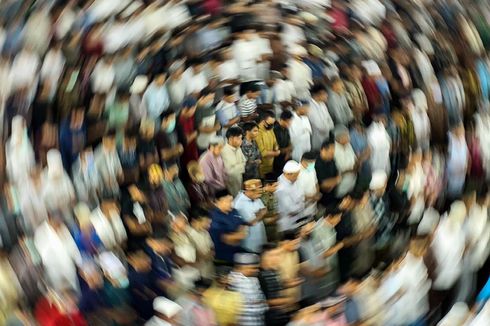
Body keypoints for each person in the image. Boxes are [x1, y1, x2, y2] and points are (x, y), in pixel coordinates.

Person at [209, 189, 248, 265]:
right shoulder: (213, 217)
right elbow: (225, 238)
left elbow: (243, 227)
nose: (231, 204)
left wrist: (236, 236)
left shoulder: (234, 211)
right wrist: (237, 236)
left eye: (231, 201)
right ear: (217, 202)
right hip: (223, 255)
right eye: (227, 201)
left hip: (237, 250)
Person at [228, 253, 268, 326]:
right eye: (253, 268)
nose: (257, 270)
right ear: (242, 267)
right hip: (246, 322)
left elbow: (261, 303)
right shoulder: (239, 281)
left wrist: (261, 303)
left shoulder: (252, 279)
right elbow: (258, 307)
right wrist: (262, 304)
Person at [258, 243, 292, 326]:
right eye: (272, 255)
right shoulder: (258, 275)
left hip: (278, 316)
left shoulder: (274, 271)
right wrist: (285, 301)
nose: (277, 258)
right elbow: (258, 302)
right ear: (263, 257)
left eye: (278, 255)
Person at [234, 179, 268, 254]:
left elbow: (264, 211)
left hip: (260, 236)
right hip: (249, 241)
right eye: (257, 192)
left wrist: (259, 215)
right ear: (250, 191)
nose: (259, 195)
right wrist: (260, 215)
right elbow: (250, 222)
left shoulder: (256, 198)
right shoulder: (239, 203)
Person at [276, 160, 306, 232]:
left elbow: (302, 196)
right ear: (289, 174)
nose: (297, 177)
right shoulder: (281, 188)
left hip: (297, 220)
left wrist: (301, 204)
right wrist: (301, 205)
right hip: (287, 224)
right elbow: (291, 209)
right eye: (296, 175)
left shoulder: (294, 181)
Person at [187, 208, 215, 279]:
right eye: (206, 222)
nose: (208, 226)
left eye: (209, 223)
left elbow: (212, 247)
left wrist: (212, 252)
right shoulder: (188, 234)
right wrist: (204, 256)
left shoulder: (205, 233)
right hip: (196, 274)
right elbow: (193, 254)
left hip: (208, 272)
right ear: (194, 221)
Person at [333, 126, 357, 198]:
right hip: (342, 183)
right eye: (346, 136)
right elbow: (338, 168)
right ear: (338, 138)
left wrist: (357, 165)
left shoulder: (348, 145)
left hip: (352, 179)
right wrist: (350, 170)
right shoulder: (334, 149)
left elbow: (354, 158)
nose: (349, 138)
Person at [308, 84, 334, 151]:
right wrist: (327, 126)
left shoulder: (323, 104)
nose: (327, 96)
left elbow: (330, 121)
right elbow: (320, 126)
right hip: (316, 141)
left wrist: (327, 126)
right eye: (325, 94)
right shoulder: (310, 107)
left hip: (326, 138)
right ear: (319, 94)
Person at [221, 126, 246, 196]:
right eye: (238, 138)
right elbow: (230, 171)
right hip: (230, 182)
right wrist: (241, 166)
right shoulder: (224, 151)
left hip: (239, 179)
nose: (241, 141)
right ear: (231, 138)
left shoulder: (238, 148)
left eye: (241, 138)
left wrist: (239, 166)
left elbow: (244, 161)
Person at [297, 152, 321, 218]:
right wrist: (311, 197)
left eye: (314, 162)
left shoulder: (311, 169)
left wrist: (317, 194)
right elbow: (295, 194)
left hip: (313, 208)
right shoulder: (296, 173)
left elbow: (316, 183)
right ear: (303, 161)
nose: (313, 164)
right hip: (302, 211)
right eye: (311, 162)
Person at [195, 87, 220, 152]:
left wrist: (216, 126)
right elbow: (201, 128)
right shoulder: (198, 110)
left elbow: (217, 122)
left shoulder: (211, 108)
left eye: (212, 98)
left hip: (212, 140)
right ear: (203, 97)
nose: (211, 100)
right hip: (202, 142)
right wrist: (215, 128)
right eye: (210, 98)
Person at [256, 110, 280, 176]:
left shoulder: (270, 129)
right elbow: (263, 152)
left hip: (271, 165)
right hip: (261, 168)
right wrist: (276, 153)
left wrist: (276, 147)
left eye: (273, 124)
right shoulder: (257, 132)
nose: (272, 126)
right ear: (263, 121)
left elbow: (275, 141)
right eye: (270, 124)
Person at [178, 97, 199, 168]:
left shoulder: (191, 117)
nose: (194, 111)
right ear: (186, 109)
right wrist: (194, 134)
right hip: (184, 154)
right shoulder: (178, 122)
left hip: (193, 150)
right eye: (193, 109)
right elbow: (185, 141)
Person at [273, 110, 293, 175]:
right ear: (282, 120)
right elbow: (276, 148)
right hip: (277, 159)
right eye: (288, 121)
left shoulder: (286, 129)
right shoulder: (275, 130)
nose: (290, 123)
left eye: (290, 121)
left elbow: (289, 143)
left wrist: (288, 152)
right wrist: (287, 150)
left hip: (286, 157)